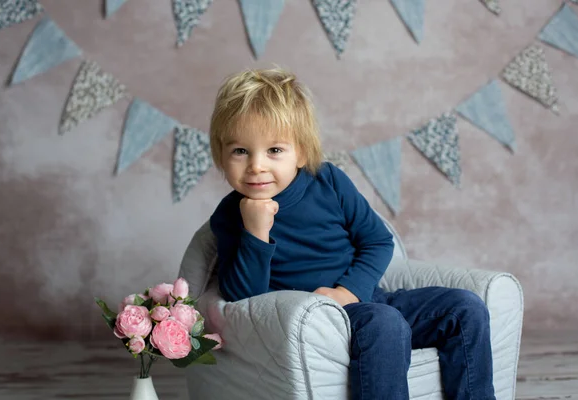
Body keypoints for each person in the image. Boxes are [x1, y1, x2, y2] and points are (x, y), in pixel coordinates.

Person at [208, 67, 495, 400]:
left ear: (300, 152)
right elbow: (243, 300)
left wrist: (348, 292)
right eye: (240, 151)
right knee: (384, 322)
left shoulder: (327, 181)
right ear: (222, 155)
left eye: (274, 150)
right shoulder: (230, 215)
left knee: (466, 307)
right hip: (309, 325)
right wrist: (256, 233)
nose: (257, 165)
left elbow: (376, 241)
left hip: (366, 301)